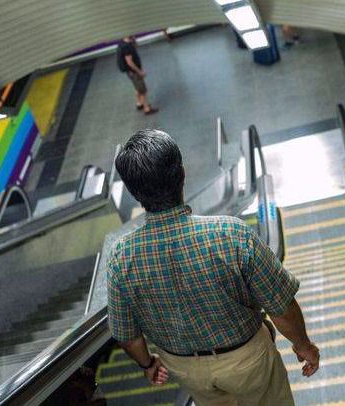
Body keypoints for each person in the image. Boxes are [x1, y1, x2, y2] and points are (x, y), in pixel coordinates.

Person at [107, 129, 320, 406]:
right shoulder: (230, 234)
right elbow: (280, 305)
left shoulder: (121, 258)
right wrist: (304, 345)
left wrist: (148, 364)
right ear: (181, 174)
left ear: (134, 193)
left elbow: (127, 336)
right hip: (246, 359)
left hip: (183, 367)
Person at [116, 36, 158, 115]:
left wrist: (133, 41)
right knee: (142, 90)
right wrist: (140, 72)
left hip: (130, 72)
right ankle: (147, 109)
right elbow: (130, 62)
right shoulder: (127, 46)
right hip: (134, 72)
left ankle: (139, 104)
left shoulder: (122, 42)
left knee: (137, 88)